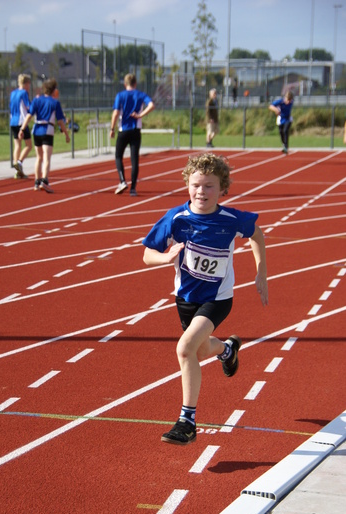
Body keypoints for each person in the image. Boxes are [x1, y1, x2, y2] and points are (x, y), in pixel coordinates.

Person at [142, 153, 268, 445]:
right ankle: (226, 350)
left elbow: (257, 235)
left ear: (222, 189)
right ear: (188, 184)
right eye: (196, 185)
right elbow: (147, 254)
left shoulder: (231, 219)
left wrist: (261, 271)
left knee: (185, 349)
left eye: (209, 186)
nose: (201, 192)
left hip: (218, 299)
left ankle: (187, 421)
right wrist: (165, 258)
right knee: (198, 353)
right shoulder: (176, 219)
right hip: (186, 298)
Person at [19, 78, 70, 193]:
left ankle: (37, 182)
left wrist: (22, 128)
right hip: (48, 130)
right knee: (47, 157)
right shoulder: (55, 102)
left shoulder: (37, 100)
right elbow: (60, 121)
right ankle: (45, 181)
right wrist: (66, 134)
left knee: (39, 157)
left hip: (36, 130)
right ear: (53, 90)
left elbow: (29, 116)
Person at [110, 73, 155, 197]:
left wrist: (111, 128)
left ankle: (122, 181)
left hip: (123, 130)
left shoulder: (120, 95)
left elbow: (115, 113)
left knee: (118, 156)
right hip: (136, 130)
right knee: (134, 159)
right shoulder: (140, 95)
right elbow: (152, 105)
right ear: (135, 83)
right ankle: (133, 188)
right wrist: (141, 115)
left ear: (125, 84)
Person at [10, 74, 32, 179]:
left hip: (13, 121)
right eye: (29, 84)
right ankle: (19, 162)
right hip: (21, 122)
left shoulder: (13, 93)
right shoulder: (24, 93)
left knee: (17, 145)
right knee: (29, 145)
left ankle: (17, 168)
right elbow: (28, 106)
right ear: (26, 83)